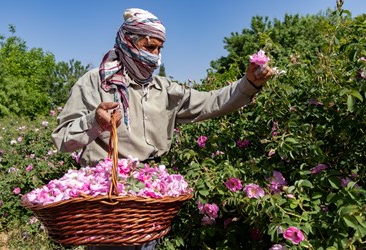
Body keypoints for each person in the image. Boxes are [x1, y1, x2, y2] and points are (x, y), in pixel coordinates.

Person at [52, 8, 274, 250]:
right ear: (128, 42)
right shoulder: (94, 83)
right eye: (149, 47)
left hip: (150, 198)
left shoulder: (164, 89)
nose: (156, 56)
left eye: (159, 49)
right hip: (108, 199)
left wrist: (249, 84)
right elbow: (63, 140)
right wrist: (95, 123)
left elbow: (211, 102)